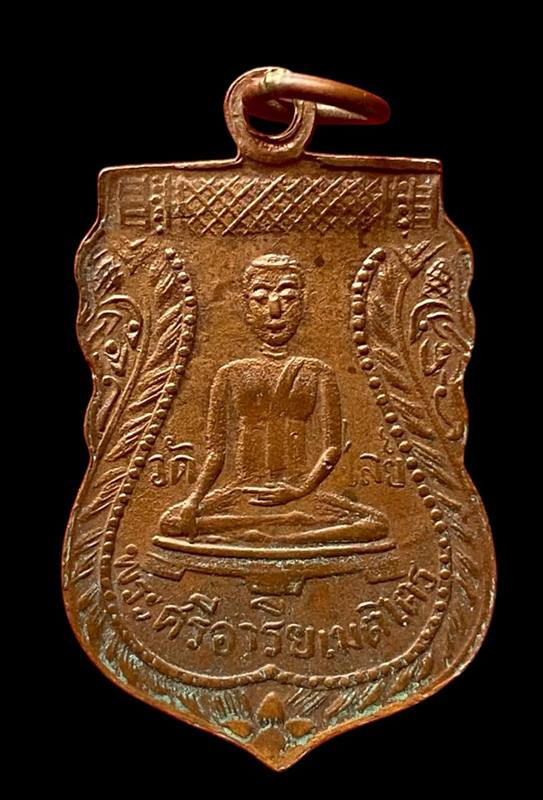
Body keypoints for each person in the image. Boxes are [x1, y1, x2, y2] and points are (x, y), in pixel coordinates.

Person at [159, 253, 390, 545]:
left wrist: (299, 491)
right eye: (260, 299)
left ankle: (270, 534)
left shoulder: (317, 371)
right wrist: (193, 501)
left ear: (302, 305)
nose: (275, 310)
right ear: (246, 308)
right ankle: (286, 529)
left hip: (300, 491)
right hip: (245, 492)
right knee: (171, 522)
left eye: (288, 298)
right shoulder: (231, 373)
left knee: (376, 524)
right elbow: (216, 453)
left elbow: (331, 448)